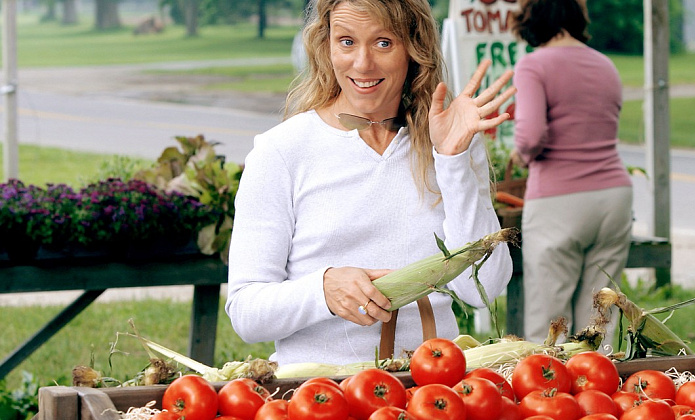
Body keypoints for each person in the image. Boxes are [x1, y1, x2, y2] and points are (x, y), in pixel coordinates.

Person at [225, 0, 516, 366]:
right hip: (319, 397)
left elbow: (484, 289)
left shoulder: (447, 140)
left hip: (432, 388)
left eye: (383, 43)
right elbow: (246, 311)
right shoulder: (281, 152)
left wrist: (453, 159)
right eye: (346, 42)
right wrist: (323, 290)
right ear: (325, 45)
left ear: (414, 48)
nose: (362, 64)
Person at [510, 0, 633, 344]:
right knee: (599, 320)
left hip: (558, 202)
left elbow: (531, 136)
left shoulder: (534, 65)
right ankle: (600, 393)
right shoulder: (606, 65)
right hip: (614, 198)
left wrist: (522, 155)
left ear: (531, 16)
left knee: (550, 323)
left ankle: (547, 395)